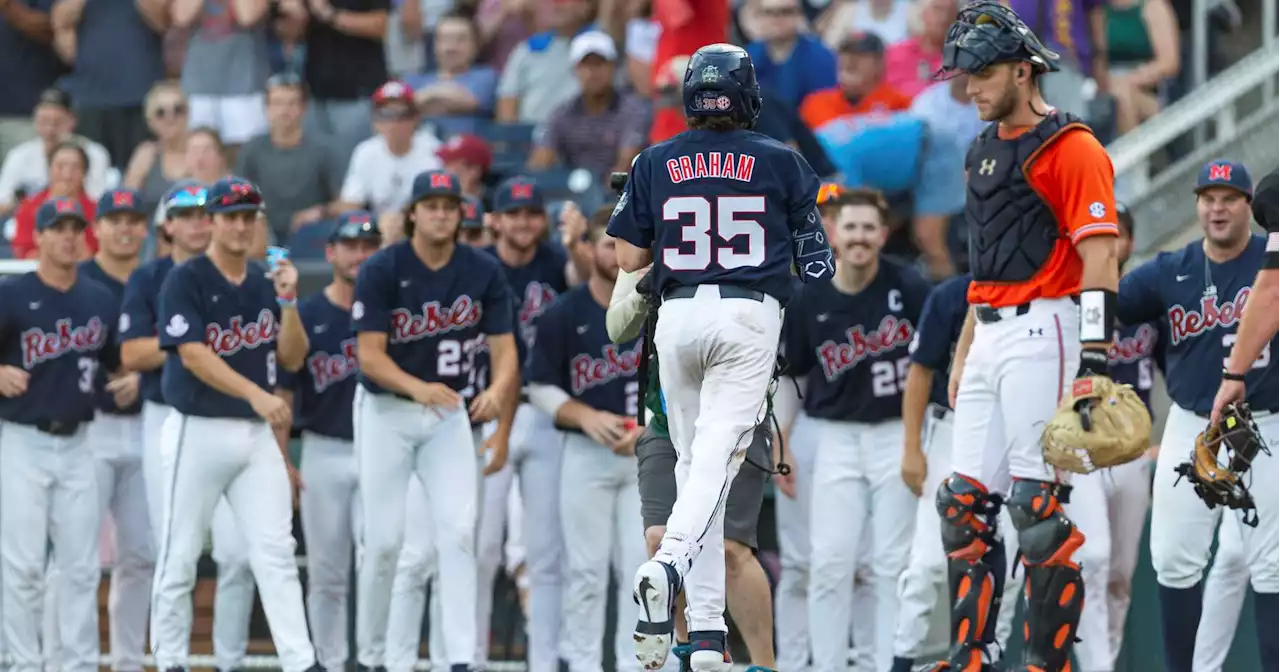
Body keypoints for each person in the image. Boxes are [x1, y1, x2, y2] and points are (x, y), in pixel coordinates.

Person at [606, 43, 834, 671]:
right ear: (747, 95)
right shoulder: (782, 160)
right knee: (712, 466)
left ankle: (706, 633)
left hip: (676, 316)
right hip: (746, 313)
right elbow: (818, 263)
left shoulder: (654, 159)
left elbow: (628, 258)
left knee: (691, 470)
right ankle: (671, 563)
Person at [921, 3, 1121, 671]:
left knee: (1038, 510)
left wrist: (1095, 359)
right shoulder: (982, 147)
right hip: (992, 333)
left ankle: (1050, 663)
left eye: (979, 74)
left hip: (1049, 327)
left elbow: (1100, 257)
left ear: (1020, 69)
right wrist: (964, 349)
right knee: (964, 504)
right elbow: (987, 265)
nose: (968, 86)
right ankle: (972, 655)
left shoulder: (1072, 146)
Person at [352, 169, 519, 672]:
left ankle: (460, 659)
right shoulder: (383, 267)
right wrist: (417, 387)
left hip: (449, 415)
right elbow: (369, 356)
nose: (442, 213)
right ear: (413, 213)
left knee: (459, 532)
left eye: (450, 205)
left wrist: (496, 390)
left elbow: (506, 349)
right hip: (388, 411)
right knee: (383, 543)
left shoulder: (483, 269)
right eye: (432, 205)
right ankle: (372, 655)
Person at [149, 177, 318, 672]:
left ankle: (300, 661)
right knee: (179, 557)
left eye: (249, 216)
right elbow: (194, 355)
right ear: (211, 221)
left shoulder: (267, 282)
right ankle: (171, 660)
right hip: (197, 430)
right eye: (231, 216)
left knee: (276, 552)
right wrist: (256, 394)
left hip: (254, 434)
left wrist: (288, 303)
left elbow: (292, 356)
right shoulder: (187, 278)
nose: (241, 225)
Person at [1118, 161, 1280, 672]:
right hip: (1195, 423)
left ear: (1249, 205)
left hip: (1267, 421)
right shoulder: (1171, 269)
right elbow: (1104, 302)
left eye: (1229, 197)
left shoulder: (1269, 256)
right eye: (1208, 197)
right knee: (1172, 558)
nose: (1217, 207)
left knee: (1273, 566)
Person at [770, 188, 931, 672]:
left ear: (882, 235)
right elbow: (792, 377)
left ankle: (887, 664)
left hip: (894, 433)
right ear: (833, 234)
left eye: (868, 228)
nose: (859, 237)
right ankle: (828, 665)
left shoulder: (910, 287)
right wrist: (781, 442)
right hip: (834, 436)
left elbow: (935, 366)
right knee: (830, 563)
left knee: (889, 564)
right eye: (850, 227)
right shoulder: (809, 297)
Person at [607, 247, 779, 672]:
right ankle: (694, 654)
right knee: (658, 539)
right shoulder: (650, 244)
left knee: (734, 549)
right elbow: (616, 328)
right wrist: (647, 290)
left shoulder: (751, 239)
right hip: (667, 417)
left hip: (737, 415)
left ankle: (764, 664)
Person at [119, 181, 257, 672]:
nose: (198, 222)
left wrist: (193, 344)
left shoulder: (243, 274)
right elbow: (132, 351)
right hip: (171, 417)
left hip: (237, 419)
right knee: (172, 549)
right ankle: (170, 660)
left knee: (240, 553)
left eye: (206, 213)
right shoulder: (151, 276)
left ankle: (230, 660)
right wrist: (190, 342)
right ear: (167, 226)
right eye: (187, 214)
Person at [0, 198, 120, 672]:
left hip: (79, 442)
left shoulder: (99, 299)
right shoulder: (11, 294)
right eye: (58, 228)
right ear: (41, 236)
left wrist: (125, 382)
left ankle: (77, 666)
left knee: (80, 569)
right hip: (22, 440)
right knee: (24, 567)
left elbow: (112, 365)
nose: (69, 236)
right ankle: (22, 664)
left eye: (76, 228)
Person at [526, 212, 648, 672]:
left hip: (646, 454)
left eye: (624, 245)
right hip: (584, 452)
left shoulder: (661, 305)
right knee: (585, 571)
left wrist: (647, 427)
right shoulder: (564, 312)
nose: (615, 256)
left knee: (639, 571)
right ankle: (581, 664)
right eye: (606, 245)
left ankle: (636, 664)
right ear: (589, 251)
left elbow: (679, 385)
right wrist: (585, 415)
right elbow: (538, 386)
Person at [476, 176, 577, 672]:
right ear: (494, 220)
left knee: (546, 551)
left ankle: (545, 661)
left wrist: (577, 240)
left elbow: (593, 285)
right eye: (512, 214)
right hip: (489, 410)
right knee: (481, 546)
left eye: (530, 213)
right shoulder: (479, 265)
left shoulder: (557, 262)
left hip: (543, 411)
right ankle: (467, 658)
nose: (522, 222)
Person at [275, 211, 381, 672]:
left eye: (369, 245)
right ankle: (329, 662)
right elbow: (283, 391)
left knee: (382, 563)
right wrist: (283, 459)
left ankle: (377, 660)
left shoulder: (391, 309)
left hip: (382, 450)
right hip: (323, 446)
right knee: (327, 573)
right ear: (330, 252)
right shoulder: (310, 313)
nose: (359, 254)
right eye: (351, 245)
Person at [80, 188, 153, 672]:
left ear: (145, 228)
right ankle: (75, 662)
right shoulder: (80, 278)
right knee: (77, 560)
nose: (124, 229)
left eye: (132, 220)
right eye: (114, 220)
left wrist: (142, 377)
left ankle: (128, 662)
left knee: (141, 556)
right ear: (98, 228)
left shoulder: (157, 278)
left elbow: (184, 345)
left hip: (149, 425)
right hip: (89, 428)